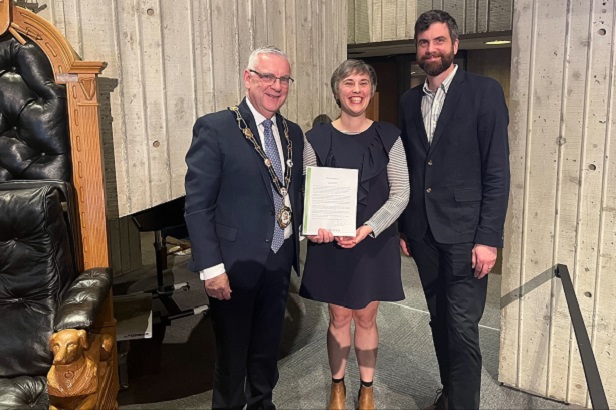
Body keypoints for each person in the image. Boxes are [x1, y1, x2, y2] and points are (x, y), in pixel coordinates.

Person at [397, 10, 510, 410]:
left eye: (439, 41)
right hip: (423, 233)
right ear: (417, 49)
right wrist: (406, 228)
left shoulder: (484, 92)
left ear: (455, 45)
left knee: (462, 327)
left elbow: (496, 171)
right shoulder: (409, 100)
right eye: (424, 42)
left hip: (466, 235)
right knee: (439, 320)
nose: (431, 49)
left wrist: (488, 238)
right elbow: (411, 167)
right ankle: (451, 396)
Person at [184, 46, 304, 410]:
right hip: (232, 266)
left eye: (284, 78)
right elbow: (198, 205)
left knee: (268, 350)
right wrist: (211, 267)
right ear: (248, 78)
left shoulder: (293, 133)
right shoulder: (216, 127)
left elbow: (292, 191)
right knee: (232, 357)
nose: (277, 86)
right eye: (268, 76)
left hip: (278, 260)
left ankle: (262, 403)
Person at [299, 59, 410, 410]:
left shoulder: (389, 136)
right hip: (332, 243)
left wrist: (368, 229)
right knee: (339, 318)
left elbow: (401, 192)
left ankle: (366, 388)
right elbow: (308, 193)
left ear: (372, 91)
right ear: (337, 91)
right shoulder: (315, 139)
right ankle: (337, 386)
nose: (357, 90)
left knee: (366, 316)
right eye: (349, 83)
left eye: (364, 83)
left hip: (373, 242)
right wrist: (316, 227)